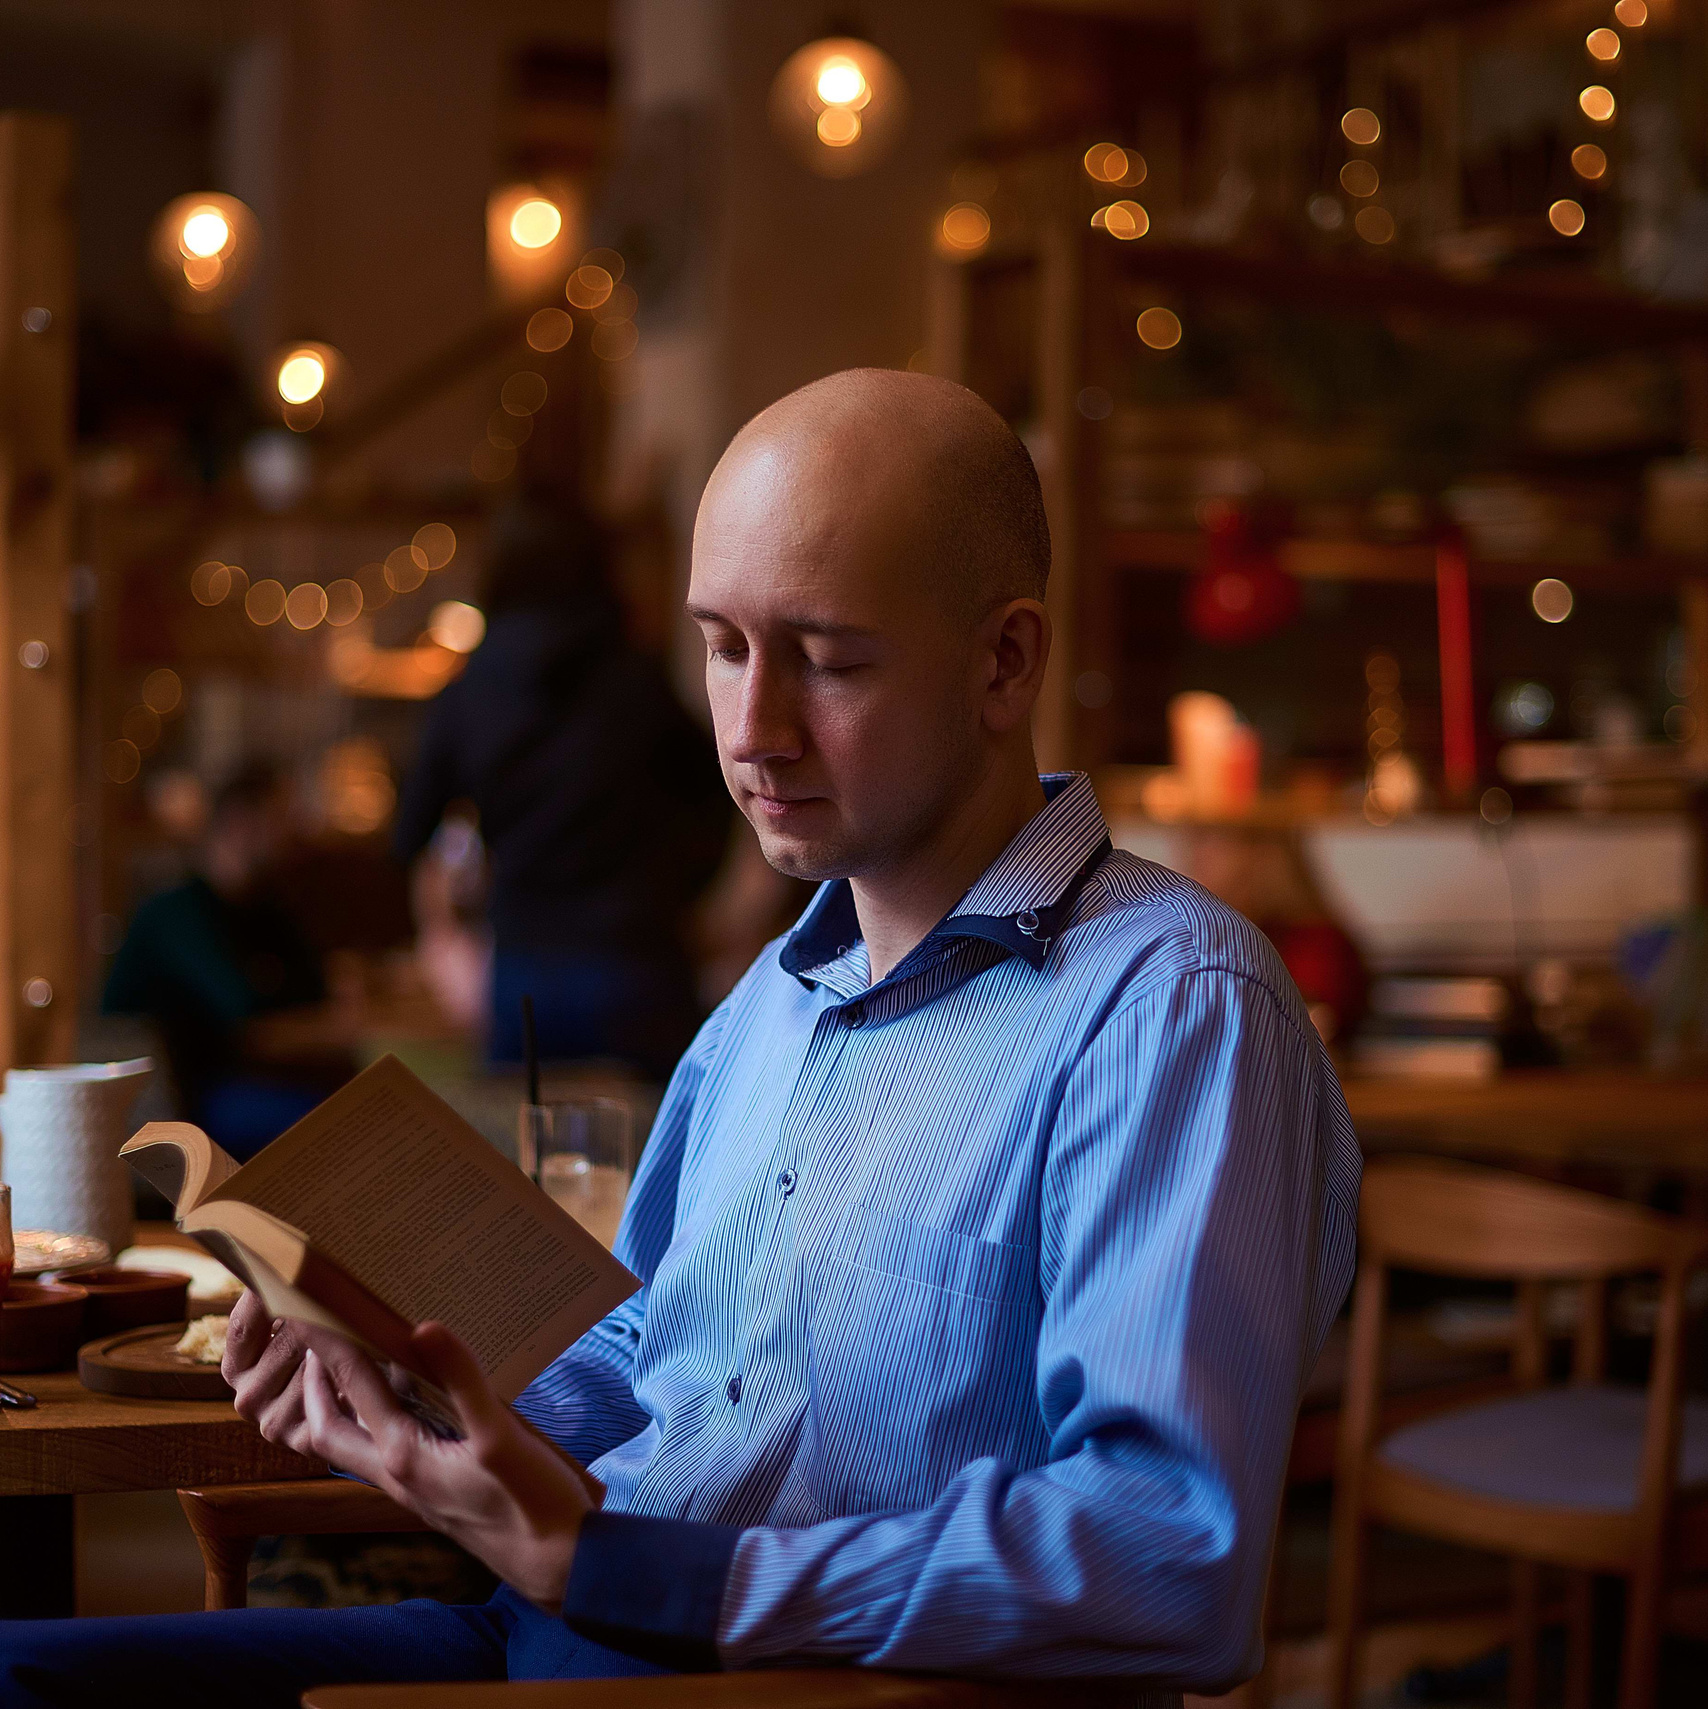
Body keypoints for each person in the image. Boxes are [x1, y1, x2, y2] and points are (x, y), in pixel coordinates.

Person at [2, 371, 1359, 1704]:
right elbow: (651, 1362)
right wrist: (407, 1392)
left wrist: (644, 1575)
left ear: (1005, 660)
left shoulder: (1170, 1005)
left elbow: (1172, 1557)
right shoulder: (775, 994)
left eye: (827, 659)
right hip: (558, 1633)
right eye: (723, 646)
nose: (754, 730)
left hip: (738, 1678)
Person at [392, 495, 732, 1080]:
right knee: (658, 1156)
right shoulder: (636, 678)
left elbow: (408, 833)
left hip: (524, 966)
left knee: (522, 1157)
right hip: (637, 958)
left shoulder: (472, 689)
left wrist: (446, 934)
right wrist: (681, 895)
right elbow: (721, 795)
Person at [101, 764, 351, 1161]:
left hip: (249, 1082)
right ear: (239, 821)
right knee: (338, 1124)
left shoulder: (268, 909)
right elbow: (247, 1025)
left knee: (360, 1108)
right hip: (180, 1105)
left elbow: (319, 994)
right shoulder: (177, 913)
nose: (297, 829)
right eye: (283, 816)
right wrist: (336, 1027)